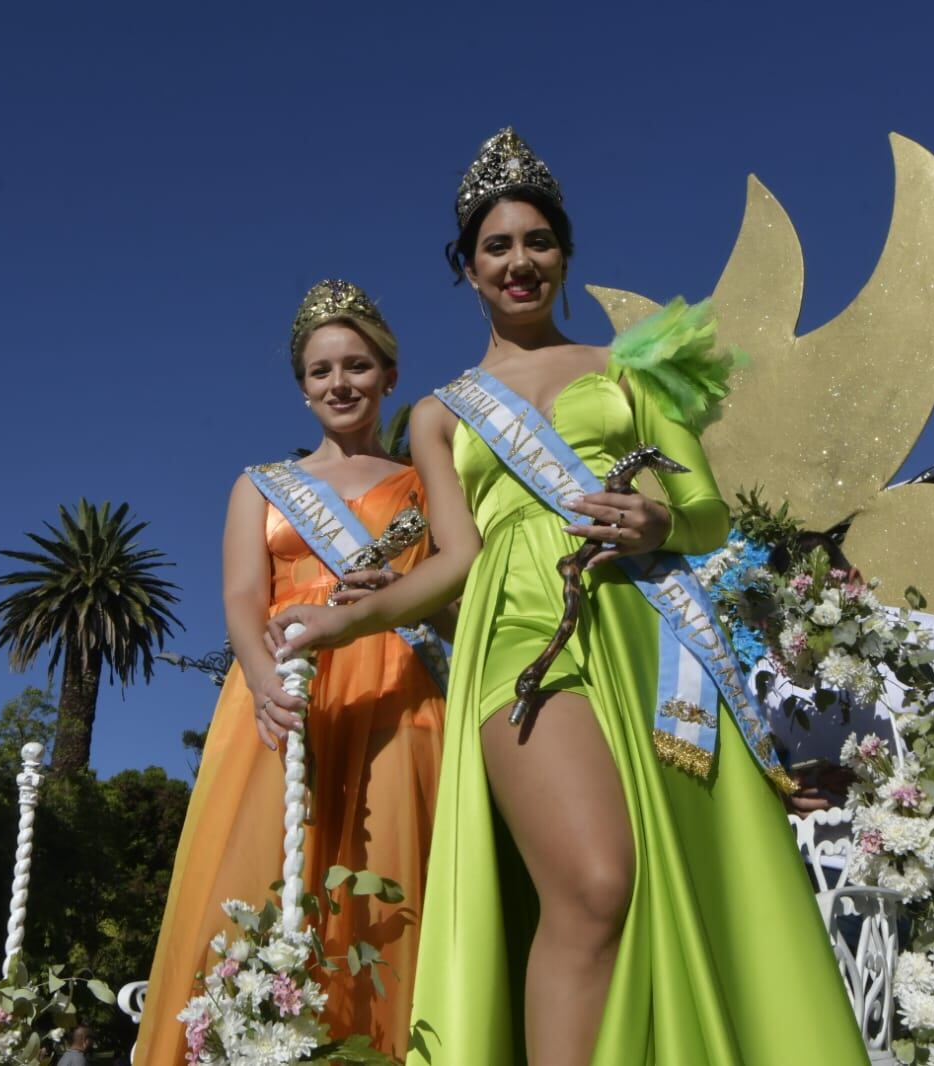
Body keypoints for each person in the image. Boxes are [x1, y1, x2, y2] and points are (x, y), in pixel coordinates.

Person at [273, 128, 868, 1065]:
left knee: (672, 883)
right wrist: (343, 618)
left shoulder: (633, 369)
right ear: (466, 269)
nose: (520, 262)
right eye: (496, 247)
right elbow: (454, 558)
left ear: (564, 253)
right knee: (592, 883)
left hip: (645, 631)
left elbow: (704, 511)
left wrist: (658, 524)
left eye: (537, 242)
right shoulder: (438, 411)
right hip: (518, 634)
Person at [134, 280, 447, 1061]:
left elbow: (452, 595)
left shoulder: (427, 485)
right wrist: (263, 681)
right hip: (279, 691)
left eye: (357, 365)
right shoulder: (259, 485)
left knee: (388, 885)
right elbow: (243, 597)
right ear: (302, 388)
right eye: (320, 371)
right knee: (256, 874)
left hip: (394, 691)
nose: (339, 384)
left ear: (388, 376)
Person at [766, 531, 934, 1063]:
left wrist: (889, 784)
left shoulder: (925, 638)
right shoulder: (766, 674)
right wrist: (780, 789)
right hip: (826, 893)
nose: (815, 619)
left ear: (858, 582)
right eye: (794, 611)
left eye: (827, 595)